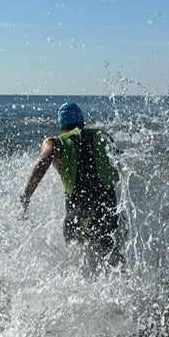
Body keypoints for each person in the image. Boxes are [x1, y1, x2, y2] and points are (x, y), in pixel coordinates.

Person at [20, 102, 122, 267]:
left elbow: (43, 160)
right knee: (113, 260)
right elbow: (117, 171)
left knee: (79, 265)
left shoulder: (55, 142)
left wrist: (25, 197)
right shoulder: (103, 136)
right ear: (83, 123)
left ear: (62, 127)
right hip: (107, 209)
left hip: (77, 213)